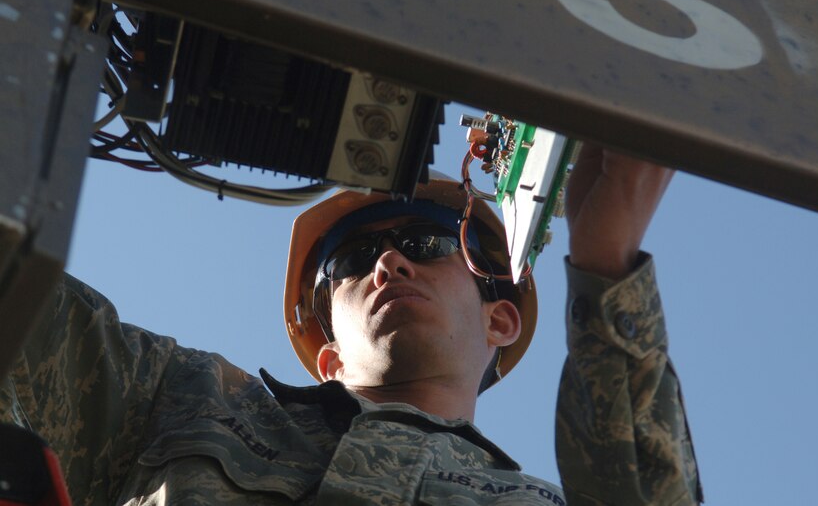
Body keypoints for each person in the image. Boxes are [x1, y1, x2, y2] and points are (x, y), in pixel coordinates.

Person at [0, 144, 701, 505]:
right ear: (326, 353)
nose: (390, 260)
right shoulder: (181, 399)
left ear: (502, 319)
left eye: (428, 243)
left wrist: (606, 257)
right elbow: (20, 300)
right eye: (352, 257)